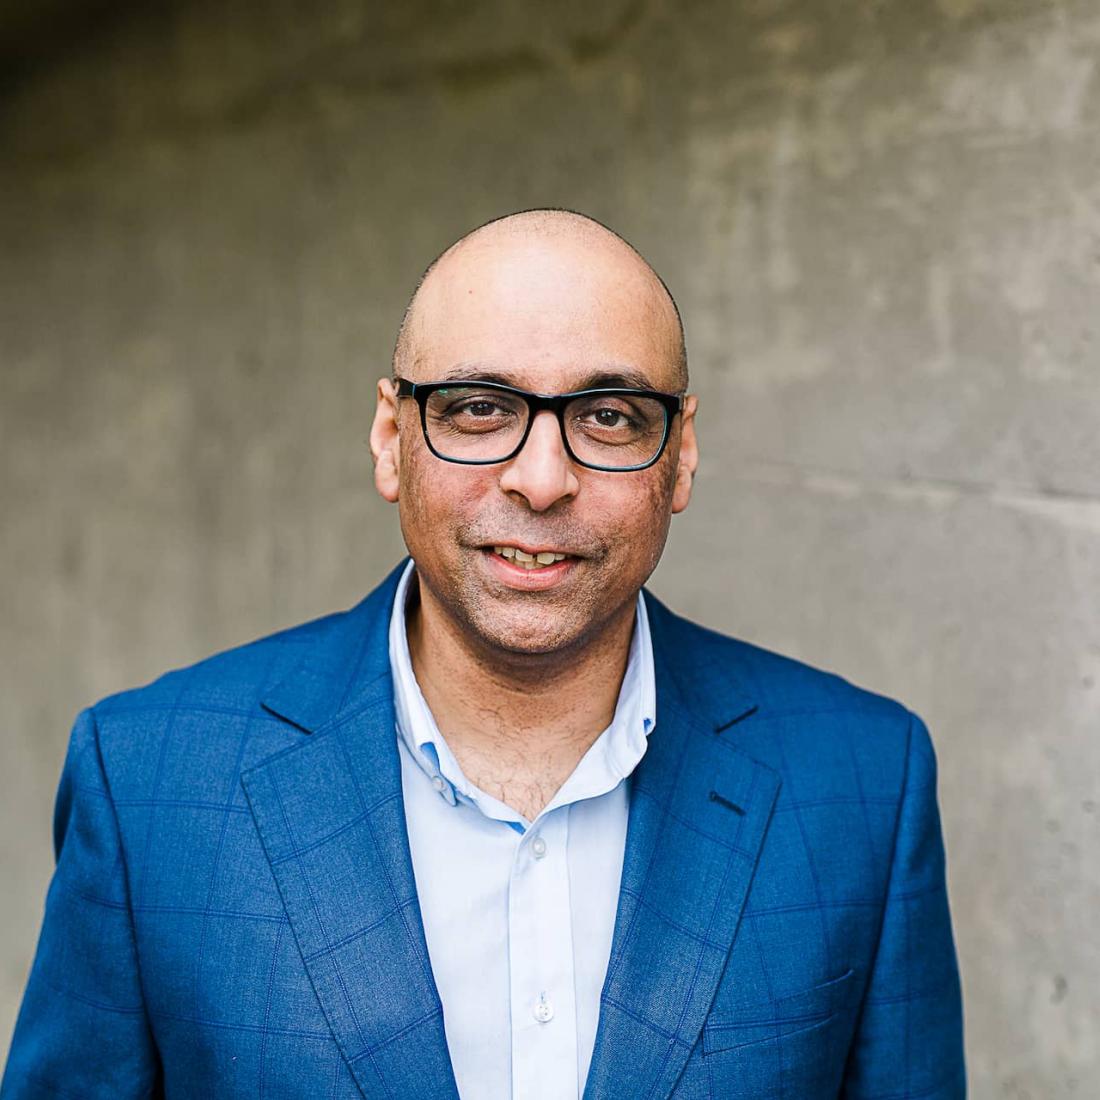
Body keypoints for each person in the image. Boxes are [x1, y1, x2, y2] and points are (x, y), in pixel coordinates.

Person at [2, 209, 965, 1099]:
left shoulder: (864, 783)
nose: (541, 480)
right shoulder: (148, 783)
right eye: (476, 409)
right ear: (390, 437)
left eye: (610, 417)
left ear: (682, 456)